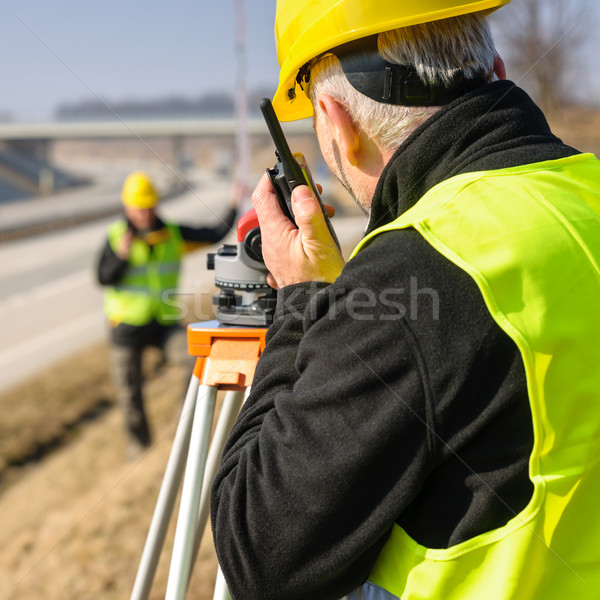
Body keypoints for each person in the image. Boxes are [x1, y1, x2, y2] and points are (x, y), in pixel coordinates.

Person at [210, 1, 600, 599]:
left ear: (335, 121)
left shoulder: (413, 273)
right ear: (496, 71)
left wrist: (302, 302)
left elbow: (260, 555)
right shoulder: (586, 191)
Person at [97, 171, 236, 455]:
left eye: (149, 206)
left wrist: (234, 204)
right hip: (126, 326)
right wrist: (121, 257)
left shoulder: (172, 233)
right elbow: (103, 277)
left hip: (163, 323)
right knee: (129, 392)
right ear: (127, 207)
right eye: (139, 207)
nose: (145, 213)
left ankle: (181, 428)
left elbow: (214, 233)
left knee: (195, 363)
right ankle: (138, 448)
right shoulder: (115, 238)